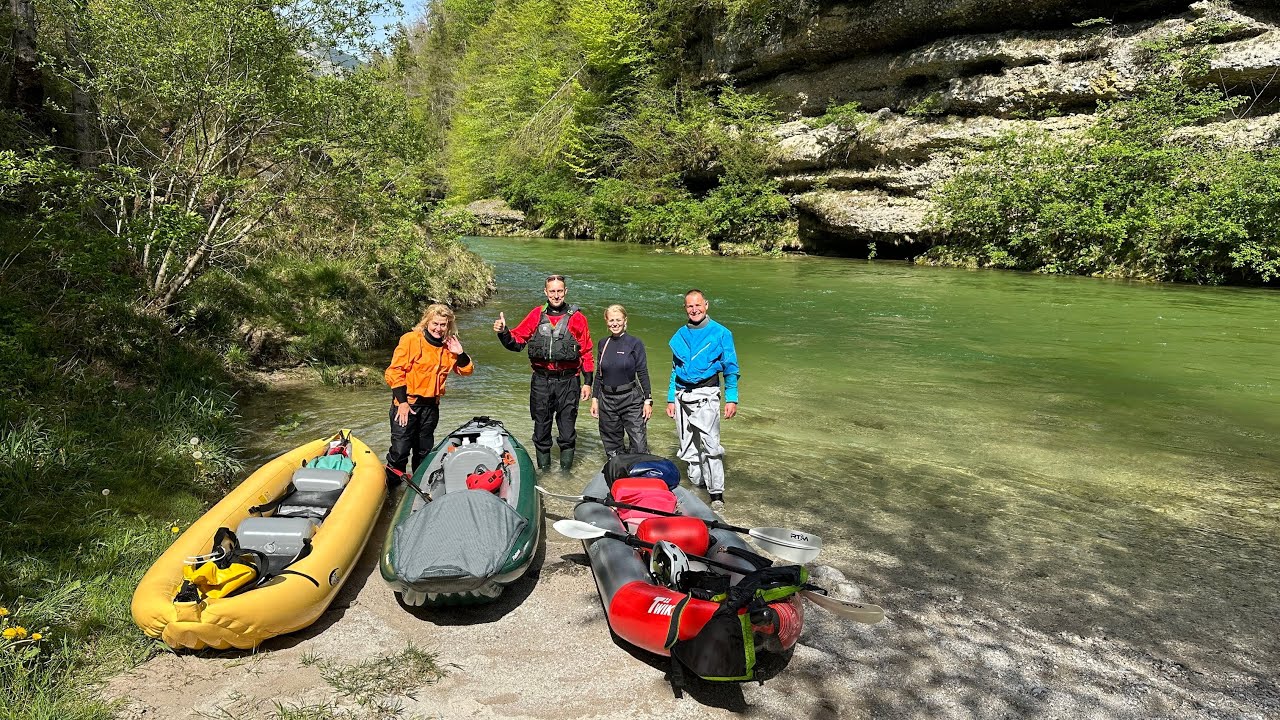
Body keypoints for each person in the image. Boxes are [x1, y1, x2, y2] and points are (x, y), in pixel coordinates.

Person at [494, 274, 594, 470]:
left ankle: (566, 474)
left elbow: (586, 351)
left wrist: (588, 382)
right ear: (545, 292)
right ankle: (544, 473)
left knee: (567, 432)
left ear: (566, 291)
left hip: (569, 381)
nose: (556, 296)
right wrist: (503, 332)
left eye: (559, 291)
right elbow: (517, 342)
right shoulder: (536, 315)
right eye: (552, 291)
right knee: (541, 429)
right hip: (541, 381)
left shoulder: (578, 318)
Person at [665, 289, 738, 511]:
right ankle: (698, 485)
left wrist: (731, 398)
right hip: (681, 394)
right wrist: (670, 398)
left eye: (698, 305)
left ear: (706, 305)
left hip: (707, 394)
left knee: (711, 445)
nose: (694, 309)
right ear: (685, 308)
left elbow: (731, 368)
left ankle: (716, 494)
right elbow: (674, 369)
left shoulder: (721, 333)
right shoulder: (680, 334)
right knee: (687, 446)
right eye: (690, 306)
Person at [384, 304, 474, 484]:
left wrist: (460, 353)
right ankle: (392, 490)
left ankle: (417, 489)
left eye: (443, 325)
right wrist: (402, 403)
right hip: (407, 404)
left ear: (449, 326)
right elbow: (394, 372)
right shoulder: (411, 340)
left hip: (431, 406)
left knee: (424, 452)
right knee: (400, 450)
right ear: (426, 322)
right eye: (435, 324)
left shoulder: (449, 346)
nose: (438, 329)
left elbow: (466, 371)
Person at [590, 304, 652, 457]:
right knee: (613, 448)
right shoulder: (603, 343)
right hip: (607, 400)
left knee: (638, 446)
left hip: (631, 399)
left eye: (618, 319)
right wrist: (595, 398)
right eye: (611, 320)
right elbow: (599, 373)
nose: (615, 323)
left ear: (625, 320)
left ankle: (639, 474)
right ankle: (617, 475)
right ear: (606, 321)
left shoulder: (635, 343)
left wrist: (648, 400)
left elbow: (642, 372)